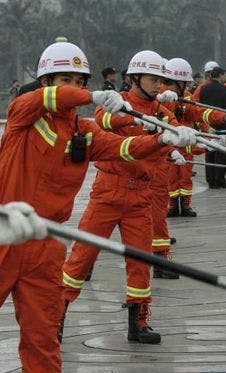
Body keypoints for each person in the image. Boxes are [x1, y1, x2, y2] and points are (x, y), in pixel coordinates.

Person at [0, 41, 196, 373]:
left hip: (45, 243)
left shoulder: (83, 132)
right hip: (6, 234)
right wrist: (90, 96)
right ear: (45, 81)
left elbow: (122, 148)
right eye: (64, 79)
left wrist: (165, 141)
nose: (73, 86)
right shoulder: (23, 115)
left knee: (43, 340)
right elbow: (46, 100)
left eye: (79, 80)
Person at [62, 50, 198, 346]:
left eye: (160, 80)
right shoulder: (119, 102)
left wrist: (195, 140)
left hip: (141, 195)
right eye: (152, 79)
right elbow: (105, 120)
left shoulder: (162, 112)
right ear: (133, 78)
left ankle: (139, 322)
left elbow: (173, 132)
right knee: (82, 257)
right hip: (109, 191)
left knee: (140, 260)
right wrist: (141, 123)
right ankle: (55, 317)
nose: (158, 85)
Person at [162, 58, 226, 217]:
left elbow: (200, 113)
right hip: (168, 144)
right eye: (186, 82)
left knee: (185, 176)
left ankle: (185, 205)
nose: (189, 85)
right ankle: (171, 205)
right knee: (170, 177)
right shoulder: (162, 97)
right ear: (178, 82)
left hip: (186, 141)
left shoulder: (186, 97)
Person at [199, 66, 226, 189]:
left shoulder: (204, 88)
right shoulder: (224, 89)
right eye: (224, 75)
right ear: (220, 75)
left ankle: (210, 180)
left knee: (209, 152)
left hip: (207, 124)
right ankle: (219, 179)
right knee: (221, 153)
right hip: (222, 124)